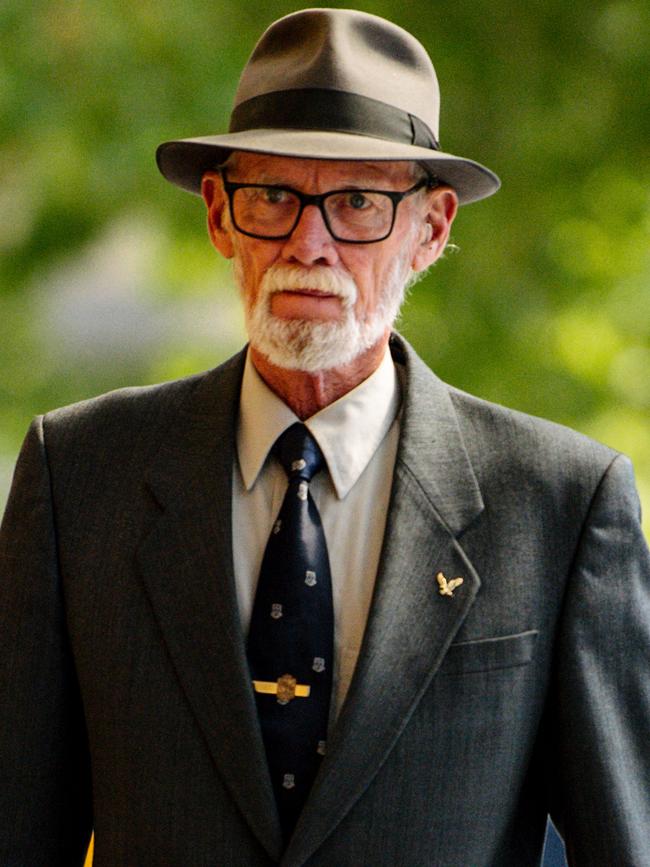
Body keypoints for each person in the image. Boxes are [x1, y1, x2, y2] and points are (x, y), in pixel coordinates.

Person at [1, 8, 648, 866]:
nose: (311, 242)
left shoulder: (563, 502)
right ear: (220, 217)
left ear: (432, 228)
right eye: (272, 195)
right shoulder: (79, 474)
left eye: (357, 202)